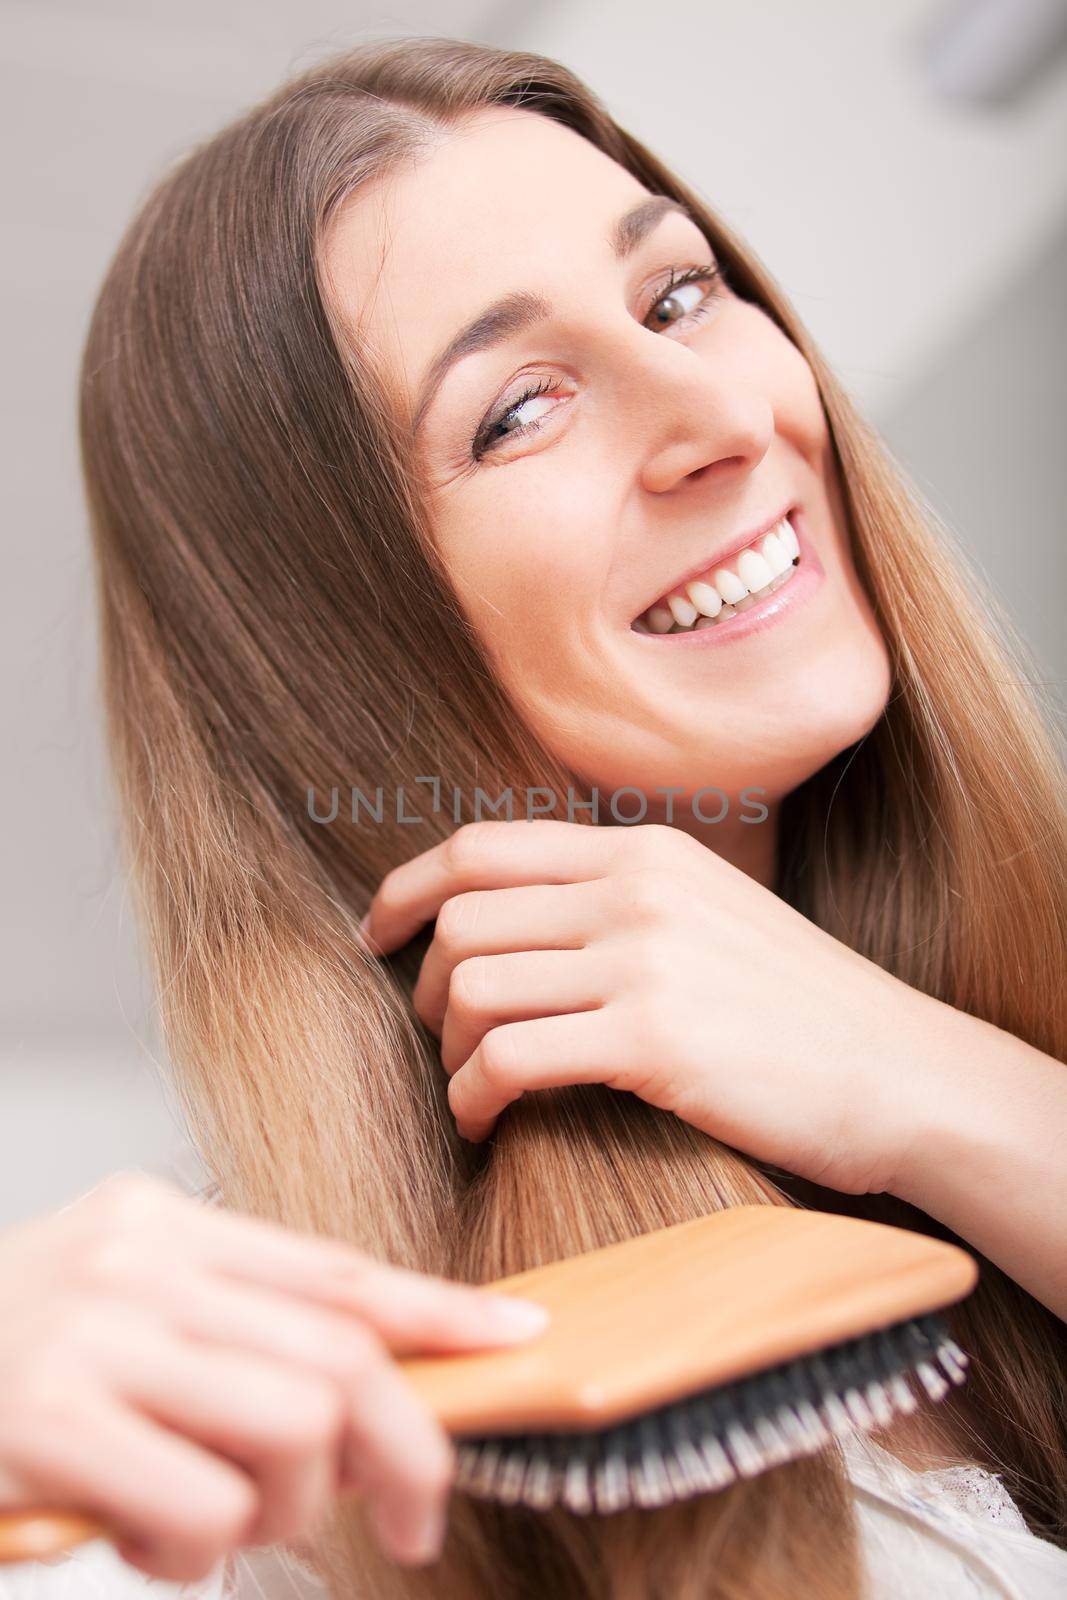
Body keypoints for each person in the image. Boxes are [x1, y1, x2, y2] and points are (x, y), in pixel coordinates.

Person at [5, 31, 1064, 1600]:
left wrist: (932, 1081)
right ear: (334, 659)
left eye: (679, 295)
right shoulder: (316, 1462)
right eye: (516, 411)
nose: (715, 415)